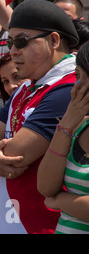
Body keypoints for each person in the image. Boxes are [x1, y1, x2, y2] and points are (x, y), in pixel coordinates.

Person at [0, 0, 80, 234]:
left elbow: (15, 156)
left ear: (53, 40)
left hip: (39, 225)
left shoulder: (68, 88)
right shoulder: (26, 86)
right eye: (10, 42)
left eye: (21, 41)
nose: (12, 51)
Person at [37, 42, 89, 234]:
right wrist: (66, 124)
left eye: (87, 77)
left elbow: (52, 198)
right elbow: (45, 187)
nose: (78, 87)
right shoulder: (78, 126)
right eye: (77, 76)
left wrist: (60, 201)